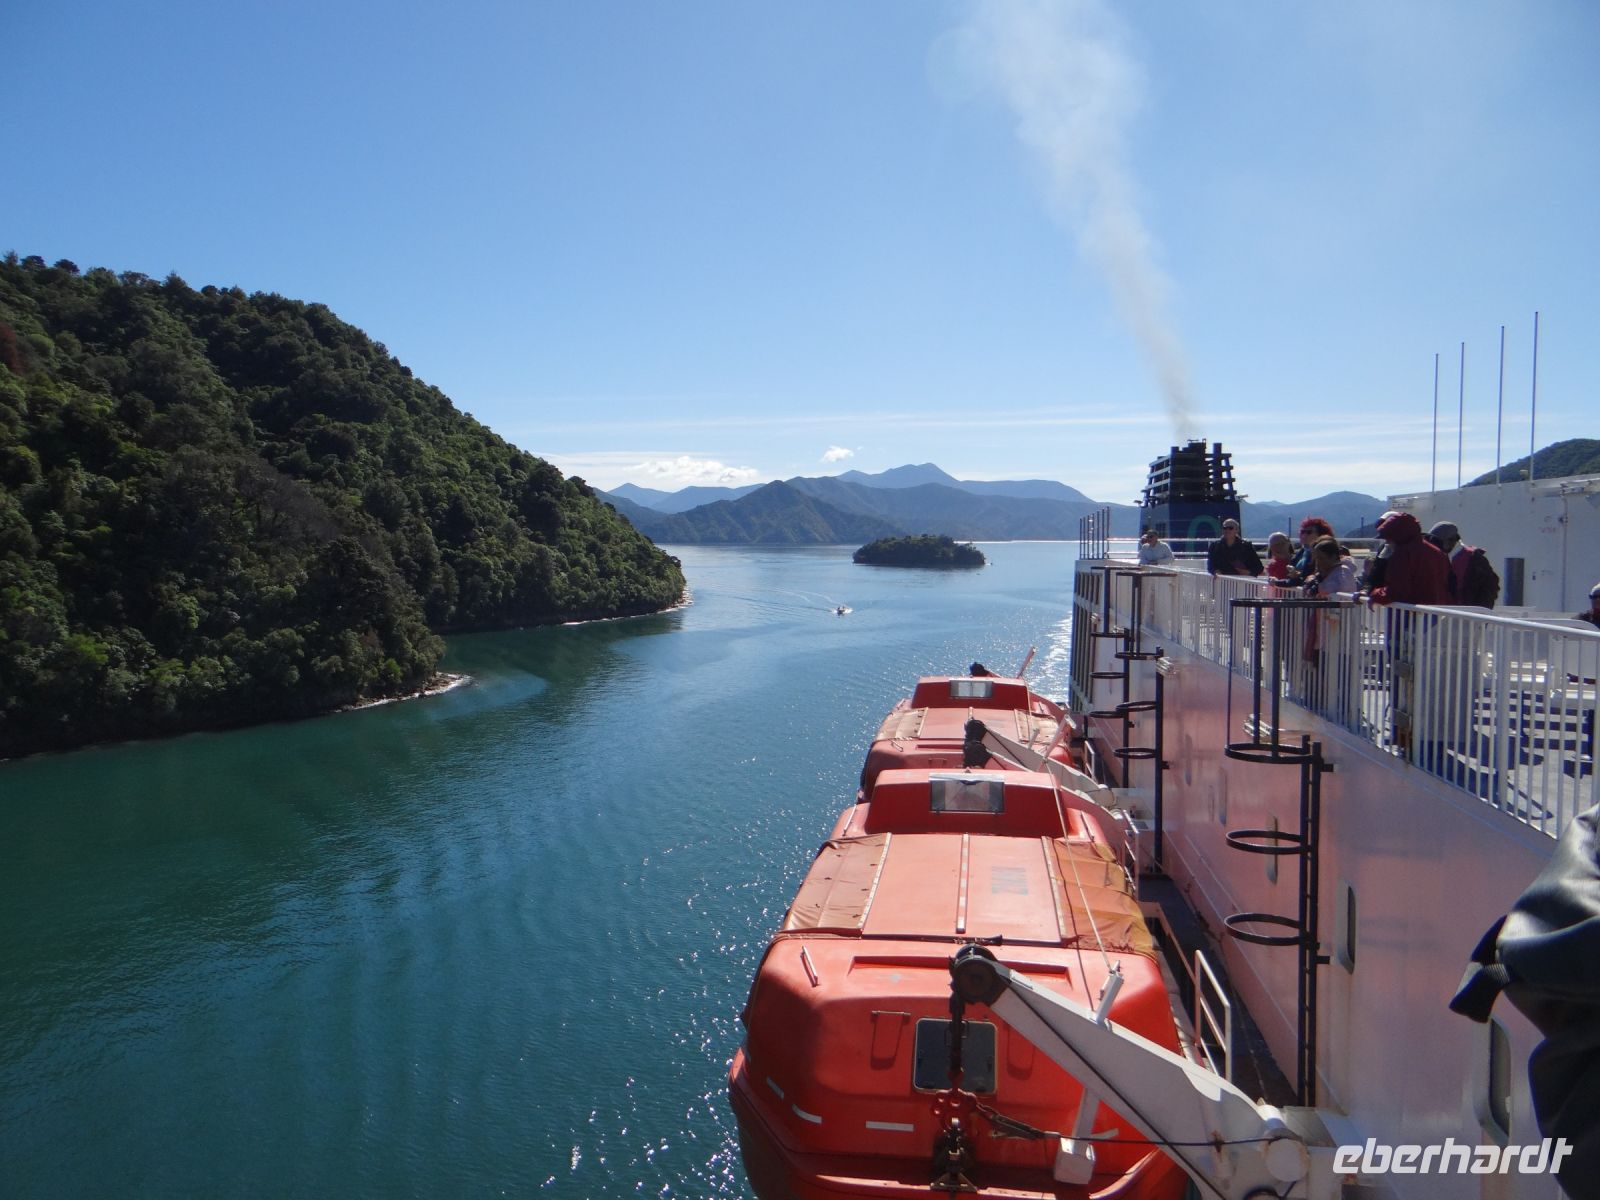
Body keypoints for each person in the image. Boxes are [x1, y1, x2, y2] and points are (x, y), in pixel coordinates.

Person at [1364, 512, 1450, 606]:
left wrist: (1375, 595)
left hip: (1409, 611)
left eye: (1388, 538)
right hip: (1435, 611)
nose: (1387, 542)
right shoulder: (1437, 552)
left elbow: (1397, 591)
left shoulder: (1403, 554)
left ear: (1397, 536)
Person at [1426, 521, 1501, 609]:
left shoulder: (1474, 559)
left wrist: (1477, 613)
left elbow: (1490, 587)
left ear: (1451, 541)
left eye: (1435, 541)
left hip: (1468, 616)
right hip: (1445, 613)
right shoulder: (1440, 557)